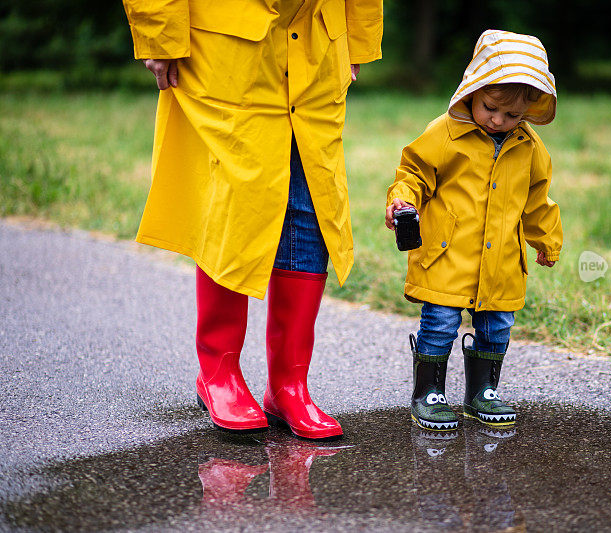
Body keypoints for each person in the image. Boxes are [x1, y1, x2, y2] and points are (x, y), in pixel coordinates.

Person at [122, 0, 383, 439]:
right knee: (237, 204)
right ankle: (218, 374)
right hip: (228, 48)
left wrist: (358, 35)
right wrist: (159, 32)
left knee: (311, 205)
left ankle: (289, 386)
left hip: (316, 42)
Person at [385, 30, 562, 431]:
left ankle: (483, 390)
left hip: (501, 261)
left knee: (497, 325)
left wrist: (547, 240)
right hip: (447, 254)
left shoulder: (530, 149)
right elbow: (414, 172)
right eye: (490, 108)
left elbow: (538, 201)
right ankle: (428, 392)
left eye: (512, 115)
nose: (498, 120)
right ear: (474, 89)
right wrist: (402, 199)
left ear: (529, 112)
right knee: (441, 323)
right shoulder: (445, 133)